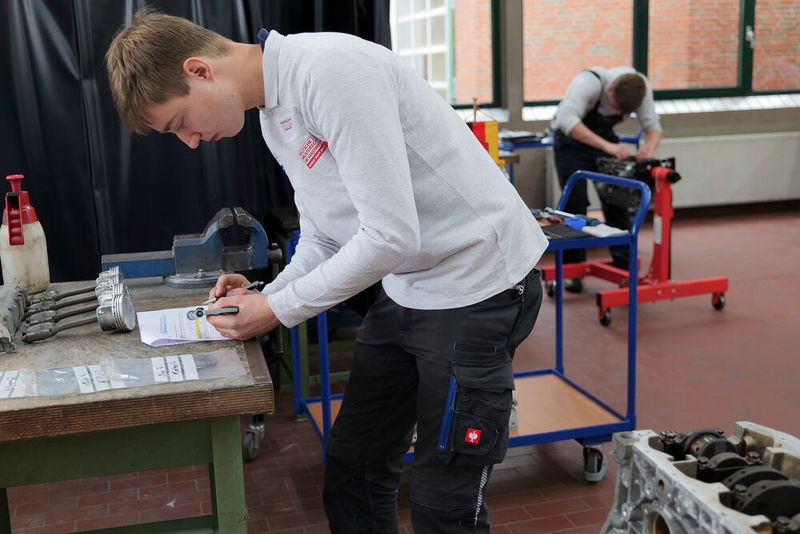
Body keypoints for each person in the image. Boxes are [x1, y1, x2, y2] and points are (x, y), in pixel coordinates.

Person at [106, 9, 547, 533]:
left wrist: (275, 309)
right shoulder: (275, 116)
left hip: (480, 286)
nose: (191, 141)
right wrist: (268, 292)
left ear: (200, 70)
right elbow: (326, 234)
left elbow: (390, 235)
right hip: (411, 285)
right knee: (352, 470)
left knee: (442, 504)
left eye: (181, 122)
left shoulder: (330, 71)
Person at [551, 66, 662, 292]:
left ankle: (624, 266)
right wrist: (607, 146)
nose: (616, 113)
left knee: (617, 201)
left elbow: (653, 127)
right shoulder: (587, 83)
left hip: (604, 142)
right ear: (609, 90)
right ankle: (571, 269)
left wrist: (649, 147)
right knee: (575, 204)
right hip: (571, 144)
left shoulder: (641, 88)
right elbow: (566, 120)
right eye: (615, 108)